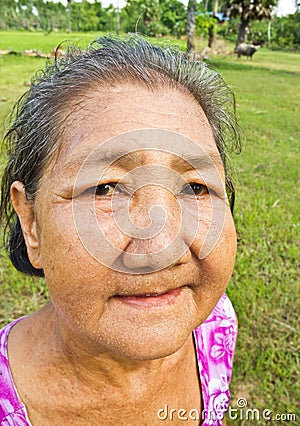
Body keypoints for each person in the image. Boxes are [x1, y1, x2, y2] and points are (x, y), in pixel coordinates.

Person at [0, 35, 240, 426]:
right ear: (32, 224)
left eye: (196, 187)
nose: (163, 247)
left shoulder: (216, 326)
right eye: (105, 189)